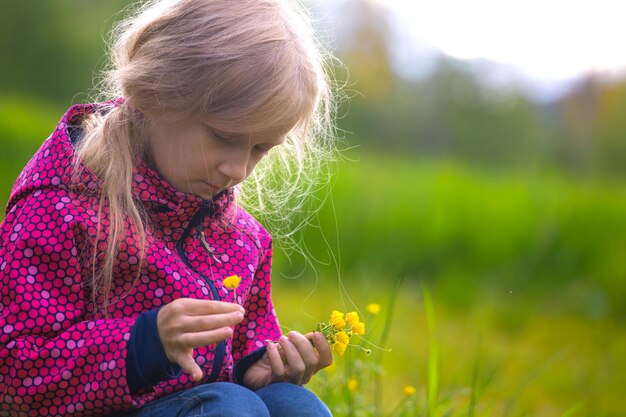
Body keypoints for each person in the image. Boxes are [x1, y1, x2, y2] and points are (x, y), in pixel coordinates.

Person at [0, 0, 340, 416]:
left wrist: (260, 367)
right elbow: (13, 372)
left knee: (294, 405)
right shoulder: (60, 210)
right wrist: (144, 345)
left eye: (260, 149)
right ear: (156, 93)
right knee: (228, 406)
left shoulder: (240, 238)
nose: (239, 169)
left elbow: (243, 345)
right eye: (223, 136)